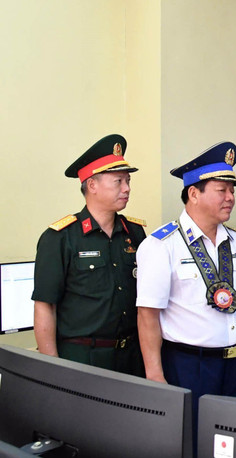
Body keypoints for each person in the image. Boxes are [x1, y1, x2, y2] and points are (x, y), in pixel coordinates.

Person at [136, 142, 236, 424]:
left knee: (234, 441)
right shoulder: (162, 246)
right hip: (190, 365)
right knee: (192, 441)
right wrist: (154, 374)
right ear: (194, 193)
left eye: (232, 191)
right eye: (222, 190)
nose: (231, 197)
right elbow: (148, 316)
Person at [32, 134, 146, 376]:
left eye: (128, 181)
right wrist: (52, 368)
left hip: (132, 355)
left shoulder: (134, 232)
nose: (126, 188)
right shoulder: (60, 238)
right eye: (118, 181)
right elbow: (45, 306)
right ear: (92, 185)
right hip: (83, 359)